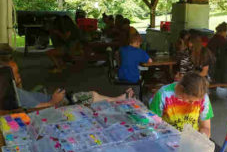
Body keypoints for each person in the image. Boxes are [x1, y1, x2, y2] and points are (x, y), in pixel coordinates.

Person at [0, 44, 133, 109]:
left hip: (50, 98)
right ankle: (118, 100)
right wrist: (53, 101)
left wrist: (18, 83)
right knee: (91, 95)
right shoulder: (15, 97)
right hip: (54, 104)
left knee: (89, 95)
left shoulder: (10, 91)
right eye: (16, 73)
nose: (20, 75)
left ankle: (117, 99)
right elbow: (33, 109)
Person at [149, 71, 213, 137]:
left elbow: (206, 127)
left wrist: (202, 138)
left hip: (191, 139)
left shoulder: (202, 97)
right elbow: (152, 123)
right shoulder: (163, 94)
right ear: (181, 89)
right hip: (167, 137)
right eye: (190, 101)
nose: (194, 103)